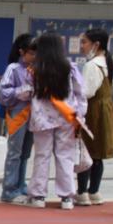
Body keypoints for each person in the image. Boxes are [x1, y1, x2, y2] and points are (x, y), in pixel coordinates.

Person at [26, 34, 86, 210]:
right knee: (65, 156)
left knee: (41, 156)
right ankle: (67, 198)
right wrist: (80, 115)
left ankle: (38, 196)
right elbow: (80, 93)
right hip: (66, 116)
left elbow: (26, 92)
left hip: (41, 118)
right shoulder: (70, 67)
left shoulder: (34, 70)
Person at [75, 29, 113, 205]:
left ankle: (82, 192)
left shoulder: (91, 65)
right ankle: (94, 191)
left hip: (93, 111)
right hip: (105, 111)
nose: (81, 46)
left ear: (96, 44)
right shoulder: (107, 62)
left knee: (86, 152)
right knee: (98, 153)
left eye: (84, 42)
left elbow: (86, 92)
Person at [0, 34, 37, 203]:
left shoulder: (35, 69)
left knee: (26, 152)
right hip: (18, 113)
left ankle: (20, 184)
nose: (34, 57)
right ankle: (9, 189)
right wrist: (19, 91)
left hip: (33, 113)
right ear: (22, 52)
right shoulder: (13, 69)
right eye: (31, 53)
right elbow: (3, 93)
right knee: (15, 152)